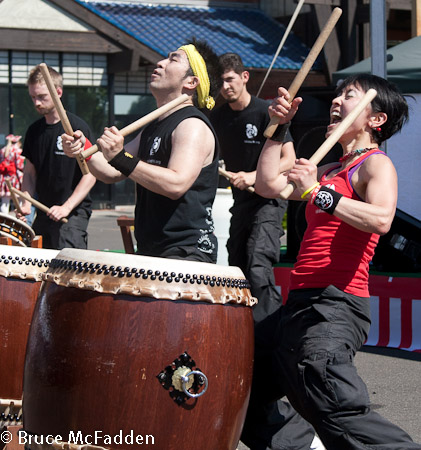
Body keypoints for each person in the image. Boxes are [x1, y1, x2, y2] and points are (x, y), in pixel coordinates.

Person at [255, 74, 421, 449]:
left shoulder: (375, 166)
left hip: (336, 303)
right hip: (299, 301)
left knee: (328, 392)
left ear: (375, 119)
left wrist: (316, 192)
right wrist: (279, 129)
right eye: (337, 94)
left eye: (349, 96)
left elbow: (381, 219)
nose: (336, 101)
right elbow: (267, 185)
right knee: (243, 387)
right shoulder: (330, 171)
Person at [210, 53, 322, 450]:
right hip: (241, 201)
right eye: (220, 82)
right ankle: (245, 336)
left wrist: (255, 175)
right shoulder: (220, 117)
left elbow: (288, 160)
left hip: (269, 200)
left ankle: (269, 337)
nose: (225, 87)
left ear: (244, 77)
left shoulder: (264, 112)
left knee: (258, 265)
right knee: (238, 270)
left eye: (229, 79)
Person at [62, 38, 221, 263]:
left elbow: (176, 184)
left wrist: (119, 156)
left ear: (192, 81)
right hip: (153, 247)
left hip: (186, 251)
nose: (160, 63)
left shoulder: (192, 125)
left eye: (173, 59)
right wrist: (83, 148)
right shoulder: (152, 127)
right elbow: (111, 171)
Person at [18, 64, 96, 249]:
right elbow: (29, 173)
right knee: (37, 264)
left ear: (58, 92)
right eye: (33, 97)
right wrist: (26, 204)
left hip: (73, 213)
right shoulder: (34, 131)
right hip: (45, 211)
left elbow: (91, 174)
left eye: (42, 97)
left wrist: (66, 207)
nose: (36, 102)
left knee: (68, 267)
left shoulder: (76, 128)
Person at [0, 134, 24, 213]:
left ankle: (4, 222)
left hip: (5, 177)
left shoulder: (3, 150)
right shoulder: (18, 151)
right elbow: (20, 165)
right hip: (15, 177)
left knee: (5, 202)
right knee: (19, 200)